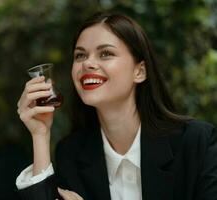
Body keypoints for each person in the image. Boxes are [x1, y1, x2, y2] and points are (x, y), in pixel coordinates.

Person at [15, 12, 217, 200]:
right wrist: (40, 135)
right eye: (80, 55)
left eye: (105, 54)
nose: (88, 64)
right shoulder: (72, 154)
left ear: (140, 71)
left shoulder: (197, 142)